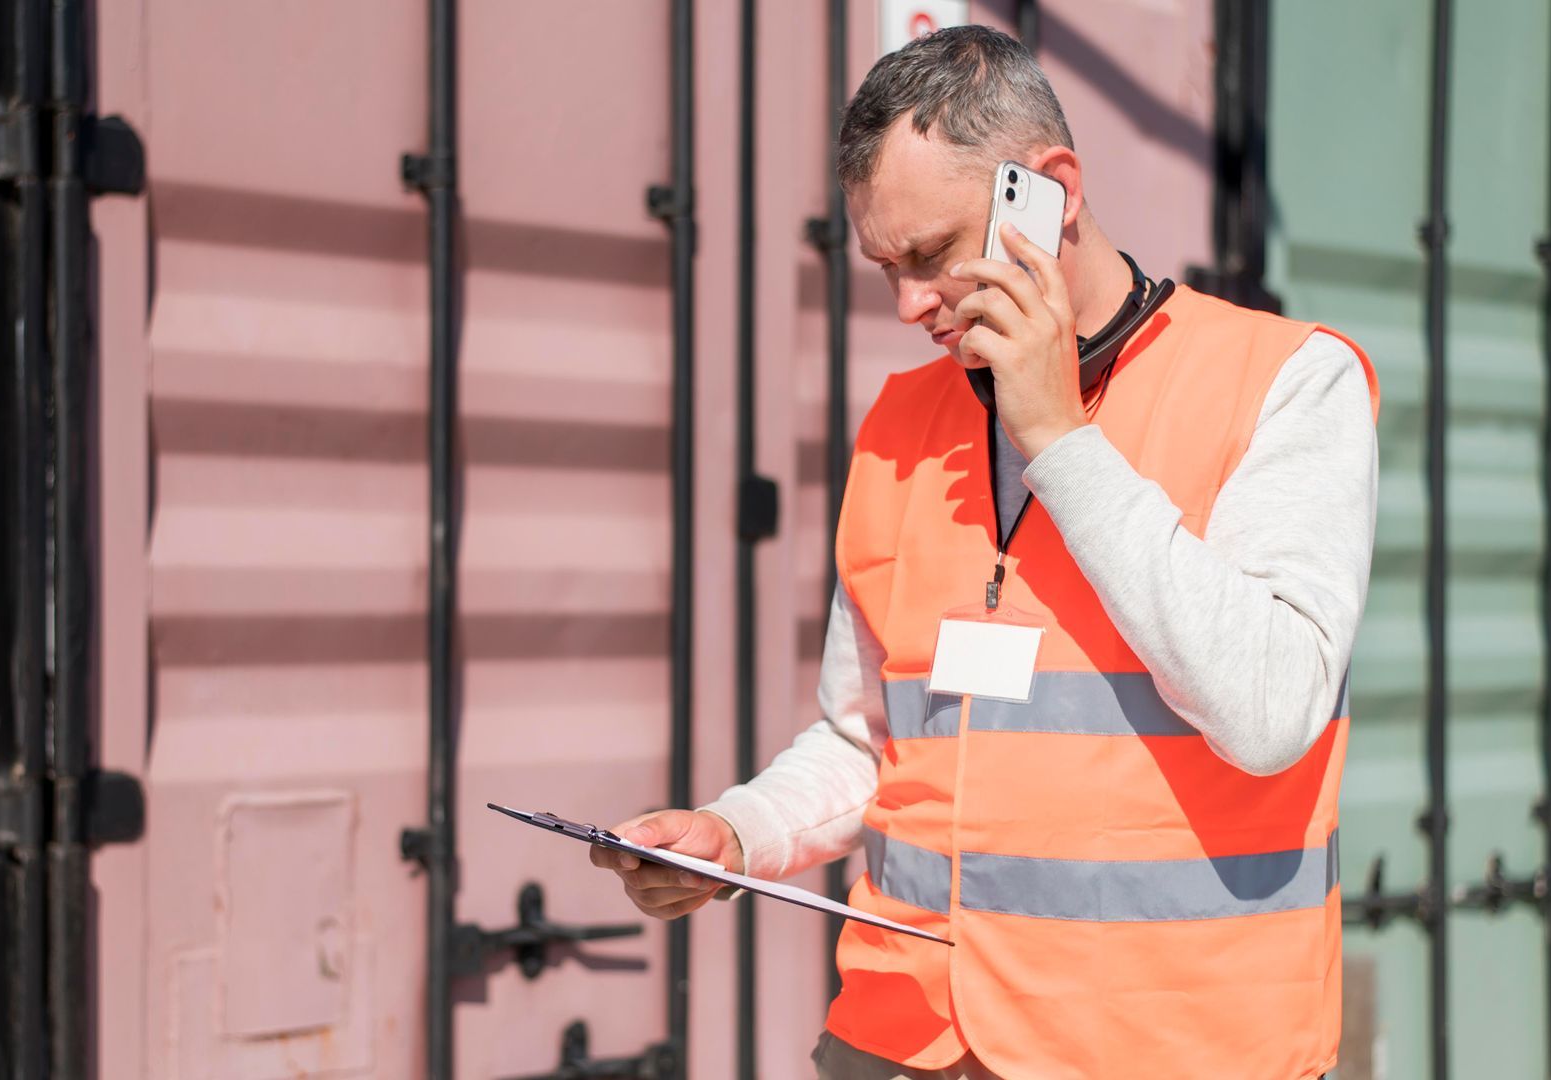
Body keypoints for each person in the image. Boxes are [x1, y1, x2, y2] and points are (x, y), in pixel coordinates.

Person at [589, 25, 1377, 1080]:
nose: (908, 304)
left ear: (1051, 192)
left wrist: (1061, 441)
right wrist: (738, 835)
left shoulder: (1287, 383)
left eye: (930, 255)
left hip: (1169, 1051)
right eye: (886, 267)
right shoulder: (900, 423)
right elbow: (872, 737)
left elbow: (1271, 712)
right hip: (900, 1039)